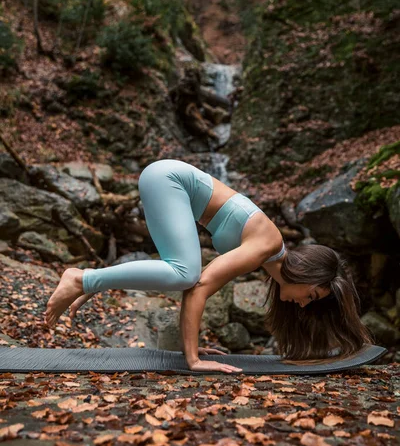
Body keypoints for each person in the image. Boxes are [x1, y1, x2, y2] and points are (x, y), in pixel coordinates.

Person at [45, 159, 372, 373]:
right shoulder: (267, 246)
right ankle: (82, 278)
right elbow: (199, 286)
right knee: (185, 272)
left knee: (185, 272)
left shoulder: (267, 253)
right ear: (308, 274)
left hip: (167, 181)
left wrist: (193, 343)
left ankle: (88, 281)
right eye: (311, 296)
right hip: (167, 179)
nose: (303, 304)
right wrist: (194, 361)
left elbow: (198, 288)